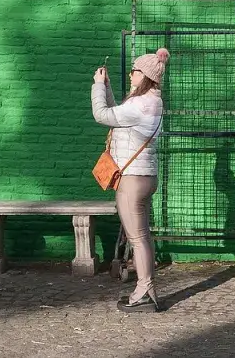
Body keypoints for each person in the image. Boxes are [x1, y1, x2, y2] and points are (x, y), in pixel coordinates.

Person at [92, 47, 168, 312]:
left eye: (135, 71)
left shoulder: (140, 104)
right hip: (145, 176)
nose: (131, 74)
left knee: (137, 238)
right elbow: (118, 114)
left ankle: (145, 291)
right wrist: (107, 87)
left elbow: (102, 115)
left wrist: (98, 86)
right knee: (142, 236)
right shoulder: (151, 101)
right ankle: (146, 289)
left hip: (132, 179)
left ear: (145, 75)